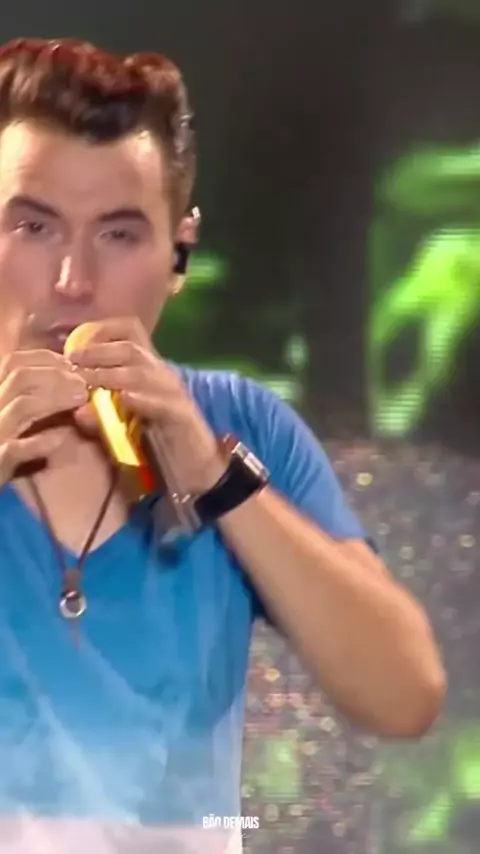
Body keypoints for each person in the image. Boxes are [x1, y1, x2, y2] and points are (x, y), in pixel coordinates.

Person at [0, 37, 445, 854]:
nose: (72, 281)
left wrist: (213, 474)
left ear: (179, 253)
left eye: (119, 235)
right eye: (33, 226)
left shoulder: (244, 423)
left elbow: (404, 695)